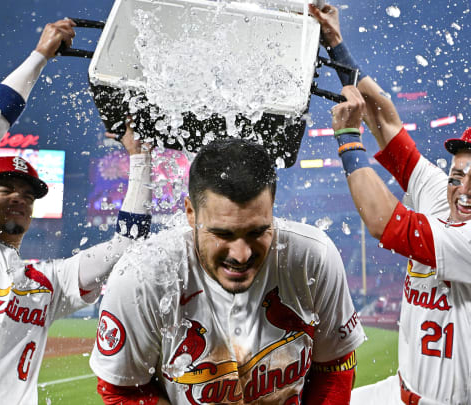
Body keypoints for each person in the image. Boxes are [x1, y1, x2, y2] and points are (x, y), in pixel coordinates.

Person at [0, 20, 153, 405]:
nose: (18, 197)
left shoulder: (48, 283)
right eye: (5, 188)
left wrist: (139, 159)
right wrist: (39, 57)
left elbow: (127, 248)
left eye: (27, 195)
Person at [310, 4, 471, 405]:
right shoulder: (444, 196)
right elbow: (387, 122)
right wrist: (336, 44)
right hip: (401, 391)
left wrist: (348, 139)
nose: (463, 191)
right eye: (457, 176)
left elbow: (387, 225)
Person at [89, 139, 365, 404]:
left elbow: (335, 365)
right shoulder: (141, 276)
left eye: (258, 231)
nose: (241, 254)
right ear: (190, 213)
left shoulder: (312, 256)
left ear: (272, 210)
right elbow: (121, 390)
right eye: (222, 233)